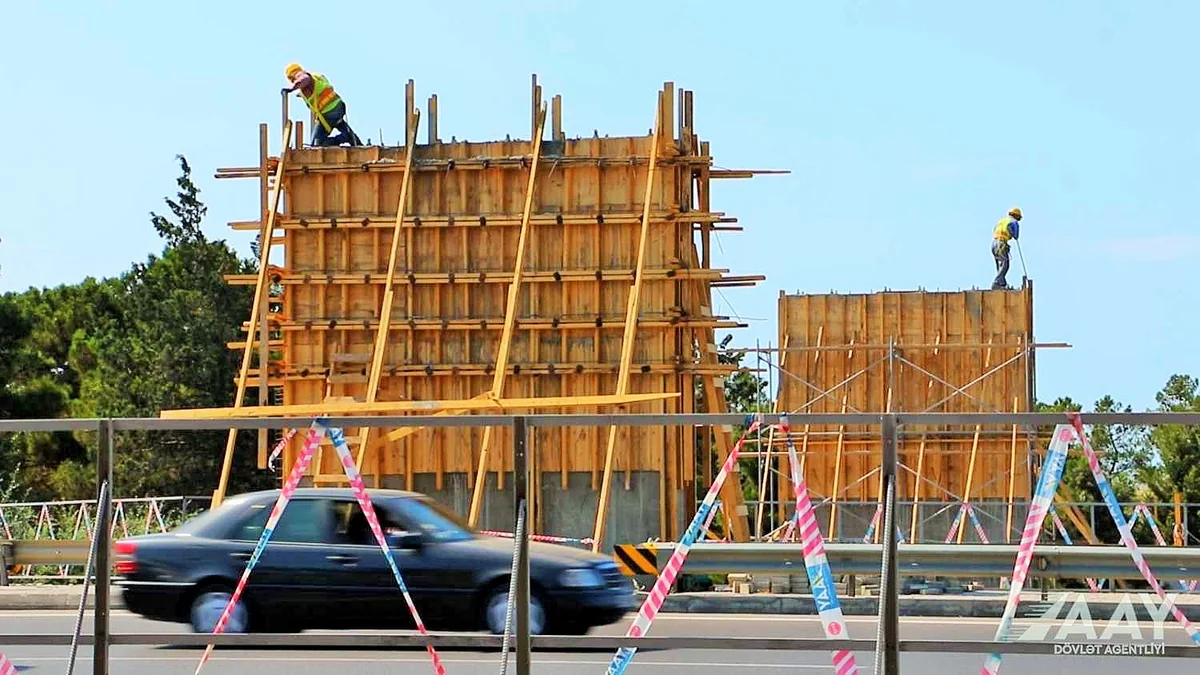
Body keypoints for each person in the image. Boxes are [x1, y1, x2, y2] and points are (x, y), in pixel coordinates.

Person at [282, 63, 364, 148]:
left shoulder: (300, 76)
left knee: (317, 145)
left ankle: (344, 137)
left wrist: (291, 89)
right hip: (337, 107)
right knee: (340, 124)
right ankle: (357, 143)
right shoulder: (315, 76)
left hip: (329, 112)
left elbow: (304, 79)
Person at [991, 207, 1022, 290]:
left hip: (994, 243)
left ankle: (1002, 283)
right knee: (1005, 265)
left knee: (1000, 265)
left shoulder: (1001, 221)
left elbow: (995, 230)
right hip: (1001, 243)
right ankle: (996, 283)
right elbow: (1015, 235)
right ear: (1017, 216)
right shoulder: (1013, 222)